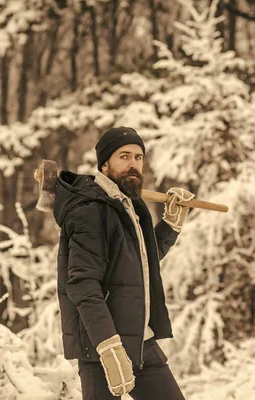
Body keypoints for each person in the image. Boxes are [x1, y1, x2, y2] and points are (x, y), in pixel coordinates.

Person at [52, 126, 194, 400]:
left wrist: (171, 225)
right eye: (124, 156)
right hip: (101, 348)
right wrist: (108, 346)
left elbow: (135, 263)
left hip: (140, 340)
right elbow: (83, 285)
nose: (133, 164)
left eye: (138, 157)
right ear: (105, 164)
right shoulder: (89, 211)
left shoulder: (127, 205)